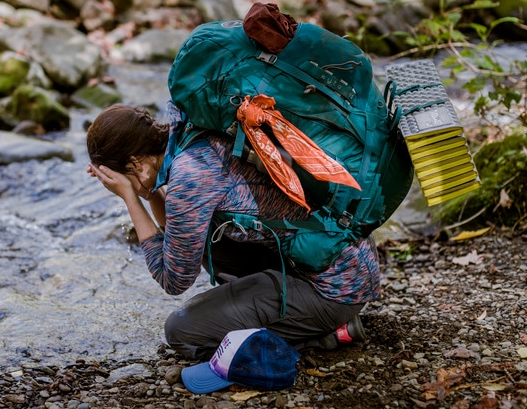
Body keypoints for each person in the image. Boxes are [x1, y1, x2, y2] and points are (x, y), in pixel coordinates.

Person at [86, 101, 377, 361]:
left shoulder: (189, 178)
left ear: (134, 162)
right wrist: (149, 193)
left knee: (181, 331)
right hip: (345, 257)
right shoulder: (186, 127)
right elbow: (178, 239)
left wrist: (130, 197)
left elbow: (172, 280)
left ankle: (323, 336)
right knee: (205, 241)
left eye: (121, 177)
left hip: (335, 290)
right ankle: (272, 308)